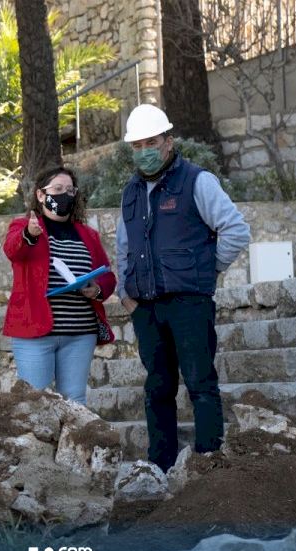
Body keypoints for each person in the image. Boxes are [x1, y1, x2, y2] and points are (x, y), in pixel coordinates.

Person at [116, 104, 251, 472]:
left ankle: (208, 465)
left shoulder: (197, 181)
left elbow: (236, 230)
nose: (144, 150)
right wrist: (125, 296)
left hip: (189, 304)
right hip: (146, 308)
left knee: (200, 384)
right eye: (137, 145)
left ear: (168, 141)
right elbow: (123, 248)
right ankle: (159, 468)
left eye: (151, 142)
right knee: (157, 389)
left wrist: (207, 270)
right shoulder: (130, 192)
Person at [3, 166, 117, 405]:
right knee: (37, 403)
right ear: (40, 195)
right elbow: (13, 250)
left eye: (70, 190)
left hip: (80, 332)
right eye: (57, 189)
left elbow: (107, 276)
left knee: (75, 402)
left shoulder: (88, 235)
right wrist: (29, 234)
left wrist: (96, 289)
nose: (64, 194)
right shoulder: (23, 226)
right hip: (35, 332)